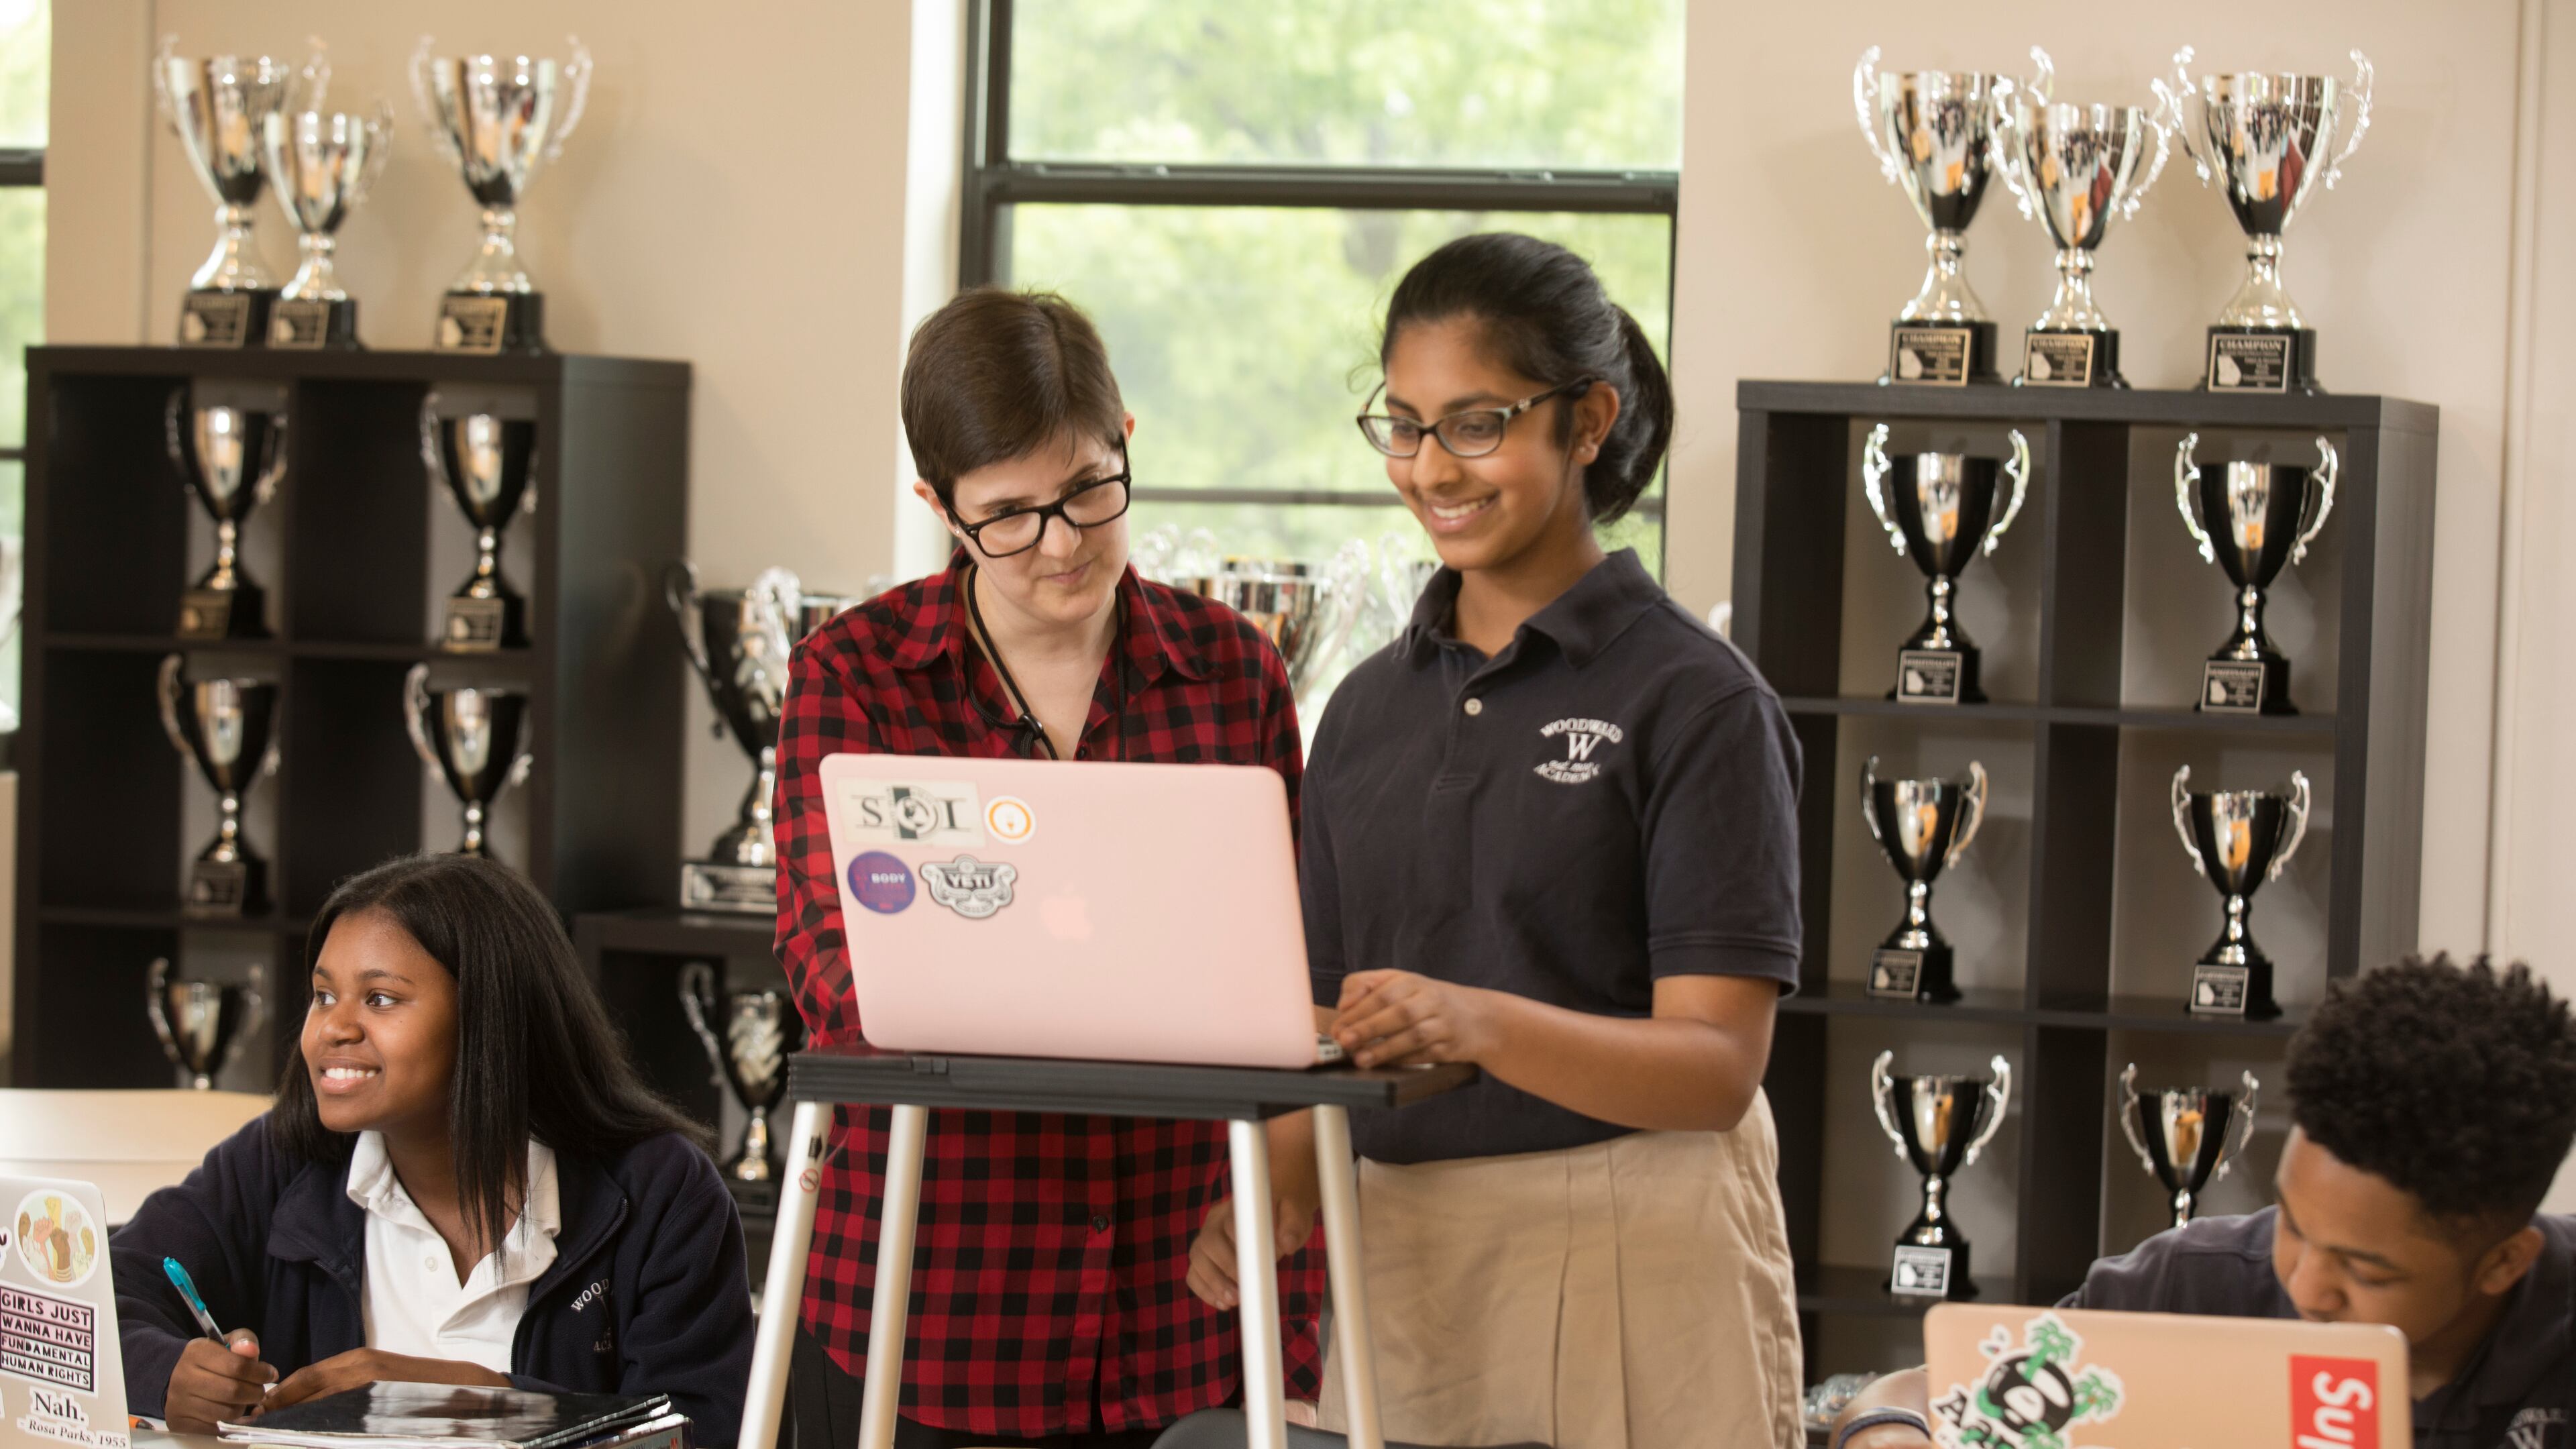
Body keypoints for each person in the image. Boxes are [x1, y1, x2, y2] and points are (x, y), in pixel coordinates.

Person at [1192, 231, 1805, 1448]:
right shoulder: (1363, 709)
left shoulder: (1700, 702)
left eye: (1477, 425)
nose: (1432, 468)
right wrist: (1279, 1189)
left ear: (1588, 422)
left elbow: (1716, 1068)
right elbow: (1319, 1017)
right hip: (1401, 1261)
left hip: (1642, 1246)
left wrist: (1479, 1025)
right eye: (1404, 426)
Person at [771, 286, 1323, 1448]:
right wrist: (1136, 996)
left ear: (1126, 442)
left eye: (1087, 492)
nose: (1063, 545)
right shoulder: (855, 676)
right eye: (1009, 516)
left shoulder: (1236, 674)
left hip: (1185, 1297)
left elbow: (1295, 970)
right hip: (938, 1298)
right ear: (939, 508)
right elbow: (839, 974)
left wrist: (1278, 1181)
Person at [110, 854, 754, 1444]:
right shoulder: (279, 1162)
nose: (332, 1028)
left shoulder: (662, 1192)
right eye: (324, 995)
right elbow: (95, 1301)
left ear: (489, 1016)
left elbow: (706, 1431)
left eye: (380, 999)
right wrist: (168, 1374)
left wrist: (461, 1399)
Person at [1831, 955, 2576, 1449]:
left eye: (2365, 1270)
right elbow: (1920, 1392)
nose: (2306, 1285)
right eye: (2294, 1224)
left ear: (2504, 1262)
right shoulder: (2195, 1283)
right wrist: (1885, 1427)